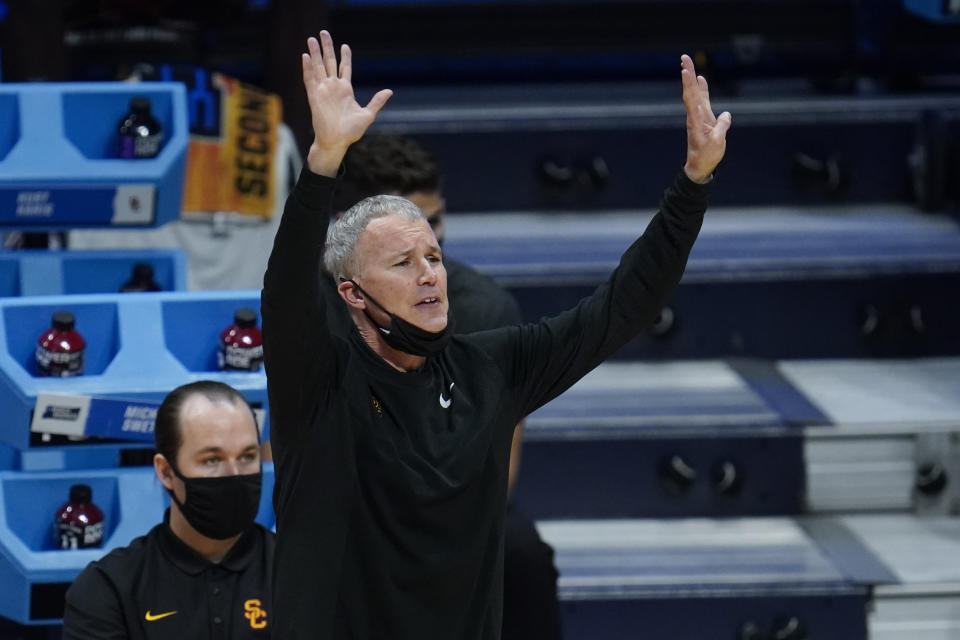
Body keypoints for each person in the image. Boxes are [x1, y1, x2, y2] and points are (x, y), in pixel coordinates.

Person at [262, 30, 730, 640]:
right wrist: (323, 160)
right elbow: (286, 289)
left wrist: (692, 185)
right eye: (403, 264)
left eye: (433, 256)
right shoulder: (319, 383)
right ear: (351, 292)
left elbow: (620, 309)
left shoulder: (492, 366)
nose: (431, 274)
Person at [332, 133, 562, 640]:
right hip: (346, 503)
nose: (427, 244)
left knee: (520, 552)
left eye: (433, 223)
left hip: (455, 505)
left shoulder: (483, 309)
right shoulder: (312, 303)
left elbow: (501, 466)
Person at [62, 381, 273, 639]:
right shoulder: (109, 589)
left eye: (247, 456)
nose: (234, 475)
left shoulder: (302, 572)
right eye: (212, 460)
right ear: (166, 472)